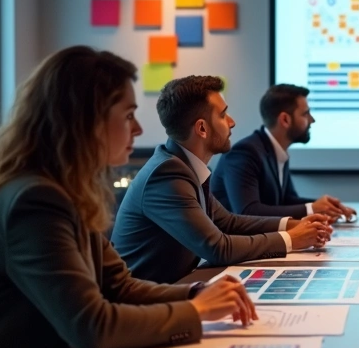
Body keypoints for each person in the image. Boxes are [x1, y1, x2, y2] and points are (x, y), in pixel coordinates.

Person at [0, 47, 257, 348]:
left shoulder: (64, 190)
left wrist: (196, 292)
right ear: (86, 121)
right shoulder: (34, 200)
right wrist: (194, 312)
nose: (140, 129)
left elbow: (120, 286)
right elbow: (91, 327)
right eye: (128, 115)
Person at [113, 76, 331, 284]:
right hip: (145, 305)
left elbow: (227, 222)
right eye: (223, 114)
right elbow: (217, 248)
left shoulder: (184, 165)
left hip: (177, 286)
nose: (232, 122)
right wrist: (291, 239)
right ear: (202, 129)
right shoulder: (167, 175)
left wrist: (292, 224)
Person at [212, 84, 356, 220]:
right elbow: (247, 211)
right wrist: (312, 208)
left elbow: (286, 200)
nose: (312, 120)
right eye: (305, 114)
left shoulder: (275, 150)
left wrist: (326, 207)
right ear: (285, 120)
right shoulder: (245, 153)